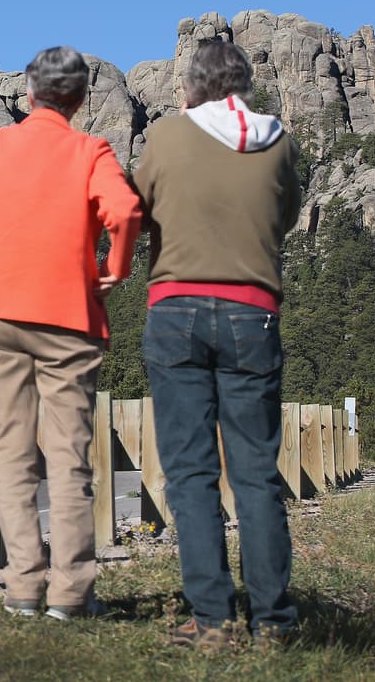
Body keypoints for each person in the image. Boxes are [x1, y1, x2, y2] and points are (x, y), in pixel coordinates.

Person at [0, 46, 142, 620]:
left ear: (29, 94)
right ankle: (70, 595)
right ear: (81, 100)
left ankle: (22, 589)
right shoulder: (91, 150)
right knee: (69, 459)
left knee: (11, 455)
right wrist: (115, 267)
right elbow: (127, 211)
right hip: (69, 317)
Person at [131, 39, 301, 649]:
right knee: (255, 475)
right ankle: (275, 624)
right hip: (252, 312)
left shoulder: (168, 137)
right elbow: (286, 214)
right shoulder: (278, 140)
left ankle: (211, 620)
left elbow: (140, 207)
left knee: (191, 473)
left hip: (176, 309)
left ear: (192, 86)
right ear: (245, 84)